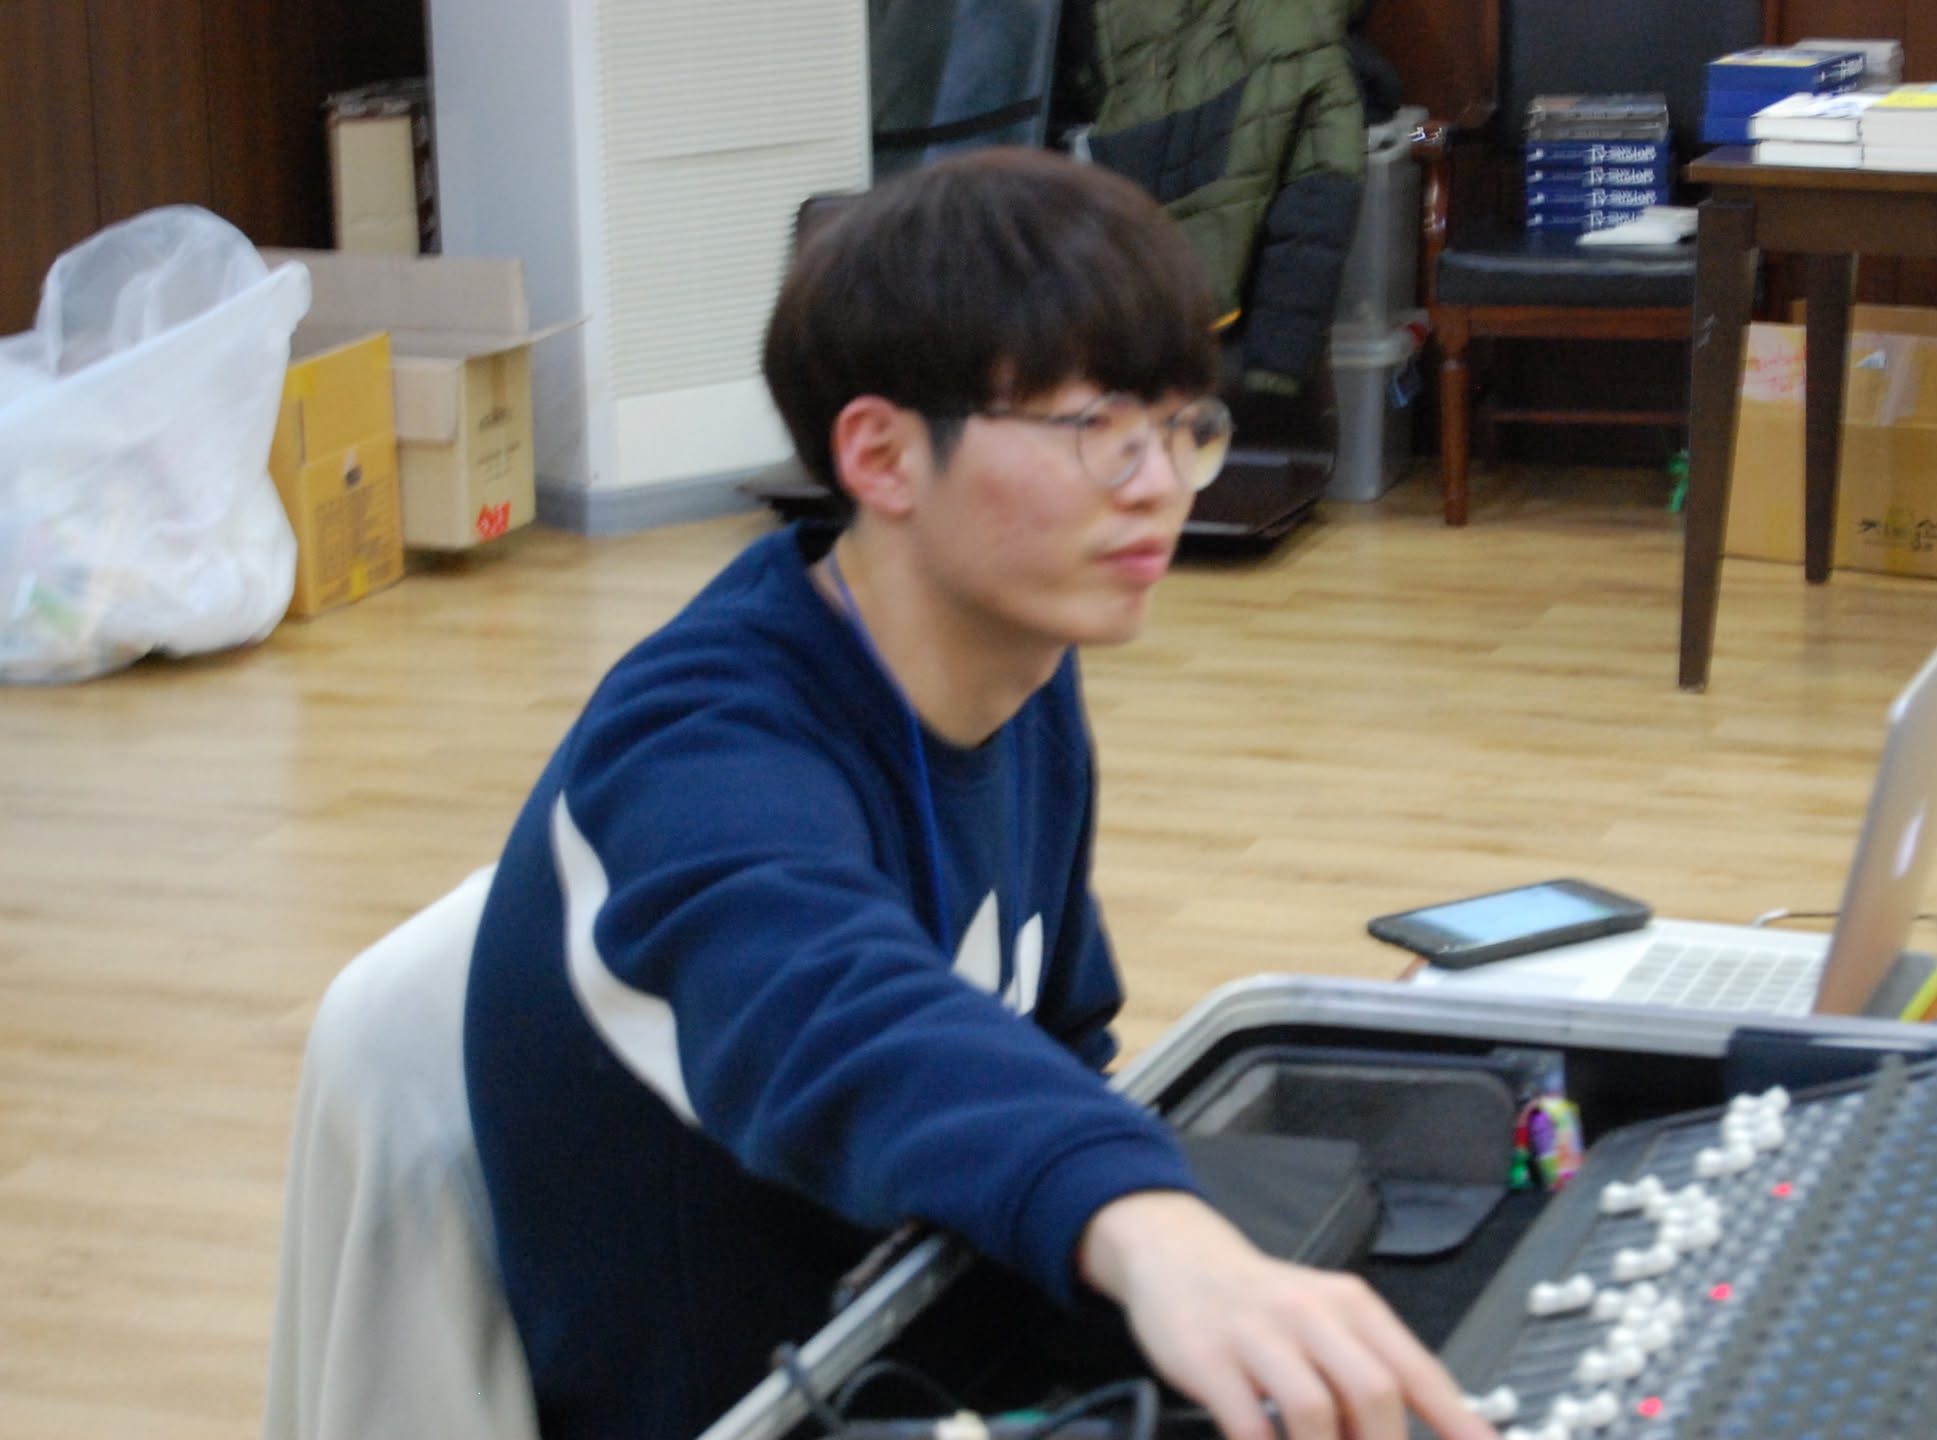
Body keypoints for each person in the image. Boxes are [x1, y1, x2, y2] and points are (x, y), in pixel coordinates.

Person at [463, 147, 1496, 1440]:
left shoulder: (1021, 667)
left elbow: (1059, 1036)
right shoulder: (696, 743)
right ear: (882, 455)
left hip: (955, 1348)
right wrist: (1151, 1230)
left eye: (1183, 426)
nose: (1160, 483)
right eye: (1096, 429)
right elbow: (831, 1009)